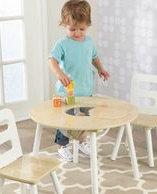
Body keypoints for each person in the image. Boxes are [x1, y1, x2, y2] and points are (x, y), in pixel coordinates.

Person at [49, 0, 109, 162]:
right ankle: (63, 146)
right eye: (72, 29)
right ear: (64, 25)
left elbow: (94, 57)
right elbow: (52, 60)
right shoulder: (63, 44)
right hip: (68, 92)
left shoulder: (89, 41)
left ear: (87, 25)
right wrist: (59, 74)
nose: (77, 33)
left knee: (84, 119)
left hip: (86, 90)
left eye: (81, 29)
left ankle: (82, 142)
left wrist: (101, 69)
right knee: (65, 120)